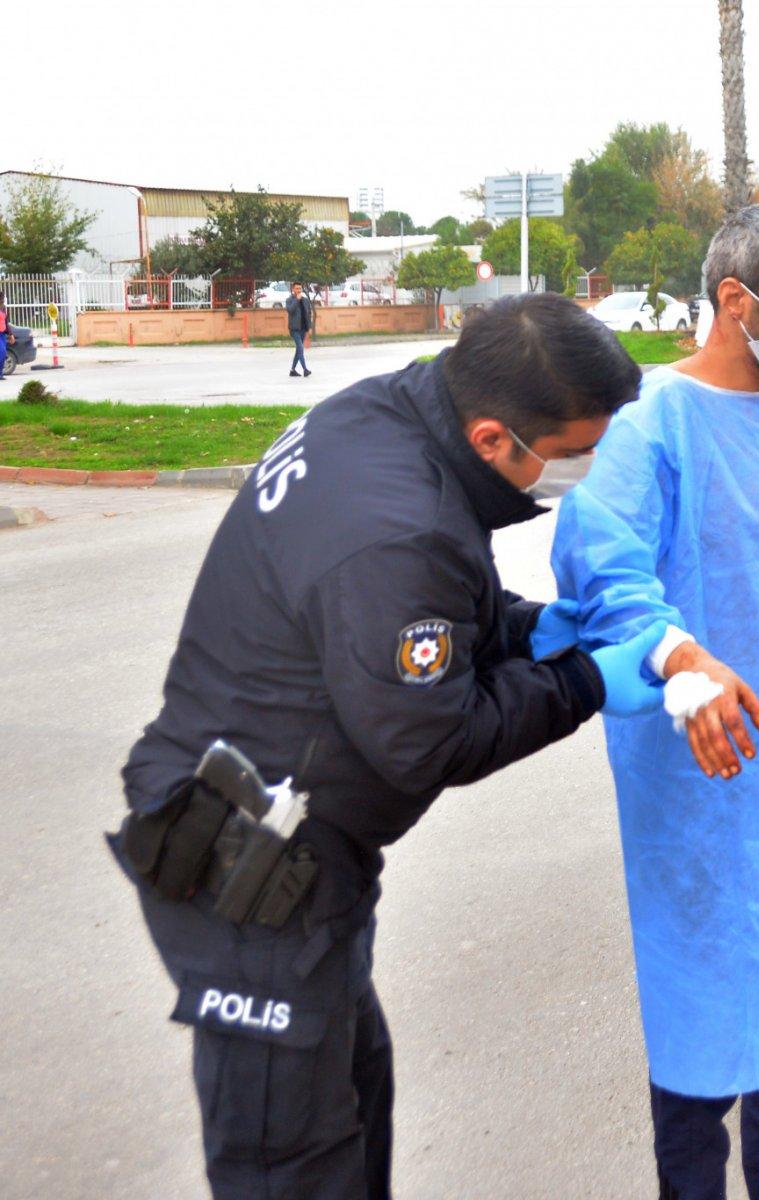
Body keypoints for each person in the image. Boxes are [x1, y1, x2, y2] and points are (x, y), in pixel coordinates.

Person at [111, 293, 667, 1200]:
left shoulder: (390, 417)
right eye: (572, 452)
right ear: (494, 439)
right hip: (247, 873)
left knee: (357, 1095)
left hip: (293, 849)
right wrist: (586, 685)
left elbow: (430, 614)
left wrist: (530, 632)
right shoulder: (398, 527)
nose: (585, 470)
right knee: (289, 1160)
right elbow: (430, 737)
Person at [552, 204, 759, 1200]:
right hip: (705, 786)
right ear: (733, 300)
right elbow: (600, 573)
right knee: (705, 1035)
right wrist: (682, 664)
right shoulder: (651, 428)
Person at [285, 280, 313, 377]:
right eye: (296, 288)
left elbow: (308, 314)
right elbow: (290, 310)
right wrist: (296, 300)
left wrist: (309, 327)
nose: (298, 290)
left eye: (300, 288)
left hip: (303, 328)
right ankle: (305, 369)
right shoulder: (289, 300)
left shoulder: (305, 300)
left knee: (299, 350)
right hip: (294, 329)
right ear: (293, 289)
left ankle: (292, 370)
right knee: (300, 347)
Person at [0, 291, 11, 380]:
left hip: (3, 334)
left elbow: (6, 322)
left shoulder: (3, 308)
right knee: (2, 352)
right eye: (3, 297)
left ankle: (0, 374)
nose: (4, 299)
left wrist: (10, 334)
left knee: (3, 355)